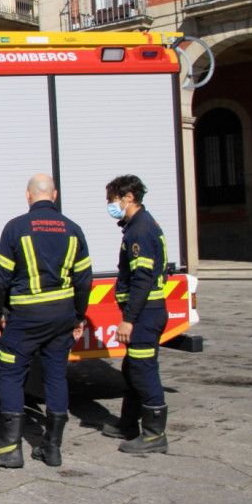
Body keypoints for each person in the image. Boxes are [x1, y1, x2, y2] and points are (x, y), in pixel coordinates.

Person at [0, 175, 92, 468]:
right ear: (53, 195)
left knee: (13, 376)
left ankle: (9, 451)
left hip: (26, 319)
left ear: (28, 196)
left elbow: (0, 278)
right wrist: (78, 316)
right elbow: (83, 280)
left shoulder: (16, 228)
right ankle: (52, 449)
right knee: (56, 377)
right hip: (61, 318)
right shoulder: (73, 230)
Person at [101, 174, 171, 454]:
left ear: (128, 197)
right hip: (147, 312)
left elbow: (142, 278)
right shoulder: (139, 225)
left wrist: (128, 319)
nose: (111, 205)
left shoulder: (140, 230)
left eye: (112, 199)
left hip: (145, 315)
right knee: (132, 368)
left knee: (143, 371)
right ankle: (128, 423)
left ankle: (155, 435)